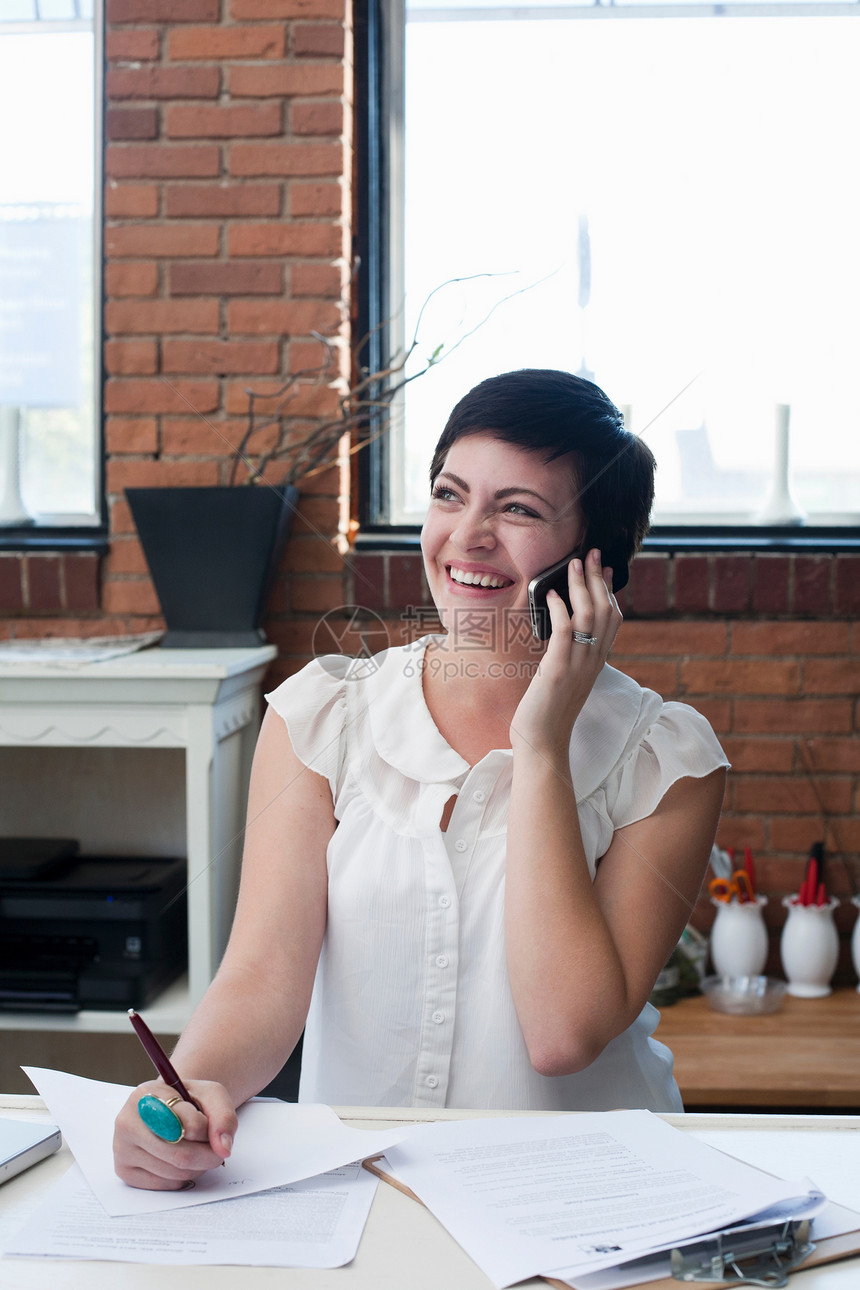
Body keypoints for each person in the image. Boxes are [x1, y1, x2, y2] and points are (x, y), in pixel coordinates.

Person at [114, 368, 728, 1190]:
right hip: (365, 1194)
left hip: (586, 1200)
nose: (467, 536)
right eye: (450, 494)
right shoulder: (322, 716)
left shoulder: (669, 760)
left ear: (596, 565)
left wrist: (540, 744)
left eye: (517, 510)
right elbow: (263, 975)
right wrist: (193, 1090)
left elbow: (563, 1032)